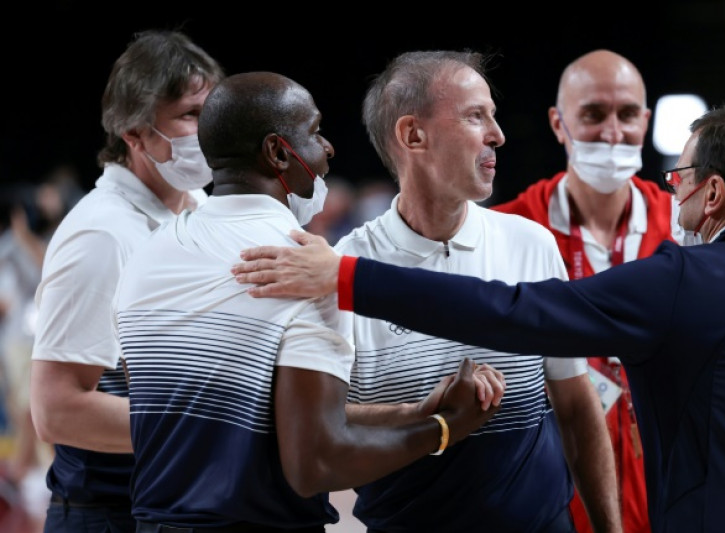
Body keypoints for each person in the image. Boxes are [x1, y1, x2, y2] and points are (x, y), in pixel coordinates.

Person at [233, 99, 725, 532]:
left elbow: (513, 311)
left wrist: (345, 277)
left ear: (715, 193)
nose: (674, 191)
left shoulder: (683, 278)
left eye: (681, 177)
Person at [112, 70, 503, 531]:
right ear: (278, 152)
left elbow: (223, 408)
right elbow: (314, 463)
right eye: (315, 132)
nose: (329, 148)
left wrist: (409, 411)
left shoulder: (145, 257)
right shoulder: (307, 268)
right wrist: (443, 429)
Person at [321, 50, 619, 532]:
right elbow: (324, 428)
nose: (497, 135)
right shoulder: (344, 271)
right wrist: (421, 414)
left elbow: (575, 402)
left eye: (493, 117)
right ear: (412, 134)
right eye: (475, 116)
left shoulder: (531, 244)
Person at [28, 30, 225, 533]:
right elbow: (57, 410)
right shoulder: (103, 233)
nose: (213, 129)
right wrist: (219, 424)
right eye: (190, 115)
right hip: (111, 513)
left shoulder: (203, 211)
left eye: (215, 111)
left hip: (183, 503)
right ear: (135, 134)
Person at [491, 49, 682, 533]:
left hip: (669, 486)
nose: (613, 133)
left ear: (647, 120)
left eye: (627, 115)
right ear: (559, 123)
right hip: (550, 494)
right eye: (593, 115)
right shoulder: (509, 228)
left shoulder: (686, 228)